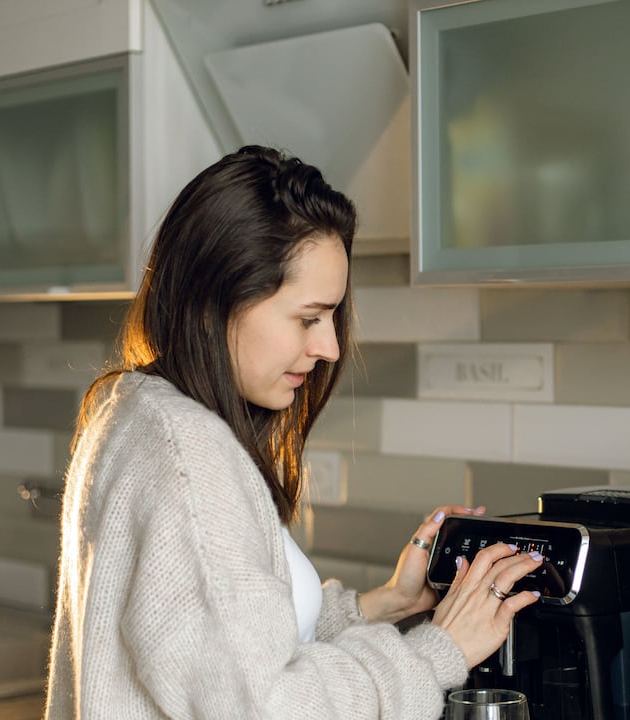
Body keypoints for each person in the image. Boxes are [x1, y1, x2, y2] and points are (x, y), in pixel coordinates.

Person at [45, 145, 542, 719]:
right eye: (308, 318)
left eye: (332, 318)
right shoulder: (187, 454)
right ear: (217, 301)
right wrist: (438, 653)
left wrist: (384, 605)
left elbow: (225, 650)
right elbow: (265, 706)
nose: (329, 347)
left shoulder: (135, 410)